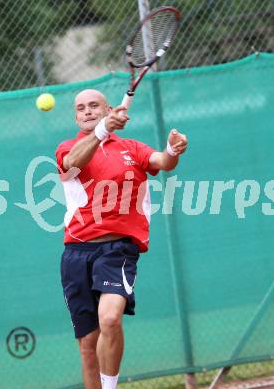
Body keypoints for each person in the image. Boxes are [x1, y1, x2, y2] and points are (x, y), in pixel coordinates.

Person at [55, 89, 188, 389]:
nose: (87, 111)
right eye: (81, 108)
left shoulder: (131, 147)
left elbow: (163, 161)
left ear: (109, 109)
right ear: (76, 116)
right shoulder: (67, 148)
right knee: (88, 345)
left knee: (111, 319)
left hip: (117, 250)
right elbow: (72, 163)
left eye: (94, 106)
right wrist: (103, 130)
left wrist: (172, 149)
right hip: (76, 253)